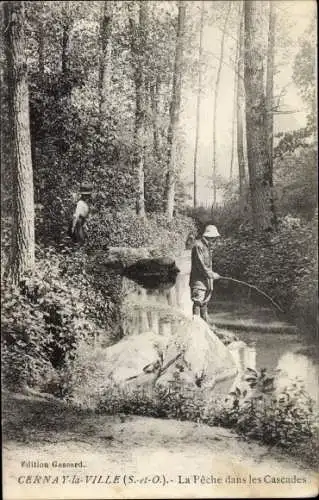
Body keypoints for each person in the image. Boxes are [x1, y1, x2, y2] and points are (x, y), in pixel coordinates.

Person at [189, 224, 221, 322]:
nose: (215, 240)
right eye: (214, 238)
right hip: (198, 282)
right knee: (198, 302)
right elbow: (201, 265)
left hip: (207, 282)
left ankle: (206, 324)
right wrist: (212, 275)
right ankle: (197, 326)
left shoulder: (207, 246)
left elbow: (207, 265)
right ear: (209, 236)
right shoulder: (198, 246)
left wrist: (211, 276)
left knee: (204, 303)